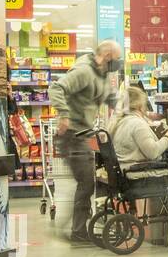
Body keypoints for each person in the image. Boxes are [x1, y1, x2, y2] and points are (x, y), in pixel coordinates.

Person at [48, 40, 122, 244]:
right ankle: (76, 230)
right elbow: (55, 88)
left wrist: (131, 109)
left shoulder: (101, 75)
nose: (118, 63)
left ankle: (77, 228)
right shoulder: (84, 71)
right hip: (71, 135)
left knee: (88, 183)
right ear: (106, 56)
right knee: (87, 183)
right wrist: (64, 114)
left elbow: (110, 97)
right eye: (117, 59)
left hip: (82, 135)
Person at [113, 87, 168, 168]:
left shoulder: (121, 121)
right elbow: (153, 153)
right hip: (140, 174)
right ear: (140, 106)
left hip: (126, 171)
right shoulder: (137, 124)